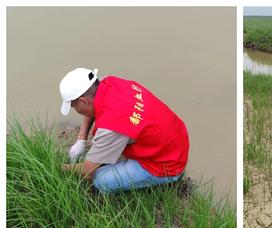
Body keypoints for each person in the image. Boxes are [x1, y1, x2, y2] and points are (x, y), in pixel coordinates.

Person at [59, 67, 189, 193]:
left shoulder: (110, 126)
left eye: (73, 106)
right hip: (175, 138)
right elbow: (92, 108)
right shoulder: (109, 82)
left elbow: (86, 171)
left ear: (83, 101)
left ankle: (166, 180)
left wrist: (59, 168)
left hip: (167, 165)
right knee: (103, 147)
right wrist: (81, 139)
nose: (75, 110)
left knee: (100, 180)